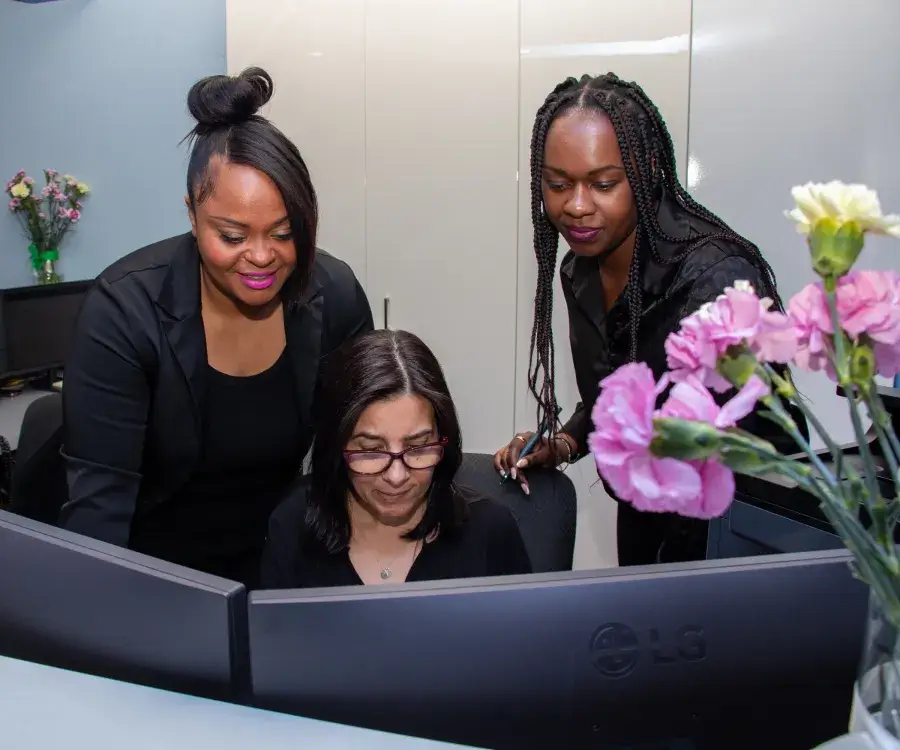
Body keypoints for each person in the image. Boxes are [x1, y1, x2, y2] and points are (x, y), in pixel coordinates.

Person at [60, 67, 373, 588]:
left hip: (279, 563)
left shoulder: (333, 293)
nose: (261, 258)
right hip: (152, 574)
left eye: (283, 233)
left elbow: (362, 448)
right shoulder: (124, 311)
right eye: (232, 235)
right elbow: (100, 511)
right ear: (192, 214)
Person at [494, 72, 798, 566]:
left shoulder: (714, 281)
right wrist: (566, 443)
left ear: (646, 167)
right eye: (557, 184)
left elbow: (765, 444)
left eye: (603, 184)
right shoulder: (579, 272)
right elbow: (617, 396)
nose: (575, 206)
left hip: (733, 536)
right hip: (643, 516)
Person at [260, 329, 532, 589]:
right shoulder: (294, 525)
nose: (396, 476)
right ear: (337, 446)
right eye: (371, 451)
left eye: (418, 447)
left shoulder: (491, 533)